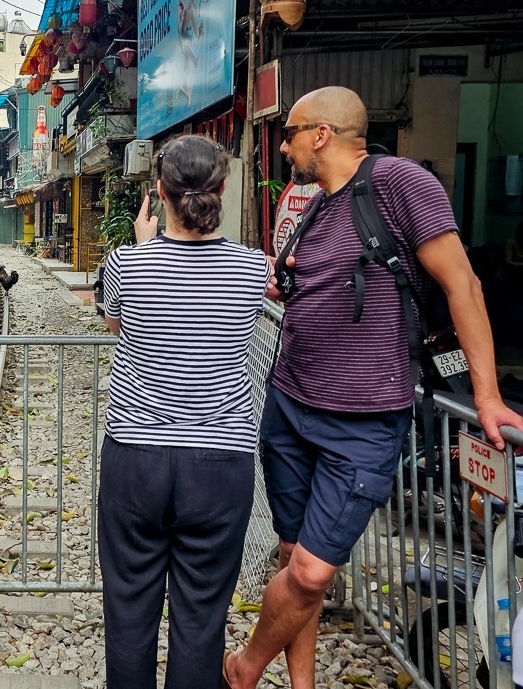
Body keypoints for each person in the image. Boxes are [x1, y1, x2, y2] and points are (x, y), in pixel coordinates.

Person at [224, 86, 523, 688]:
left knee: (311, 573)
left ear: (322, 135)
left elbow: (464, 285)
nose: (283, 146)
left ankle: (243, 667)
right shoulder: (316, 206)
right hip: (290, 406)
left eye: (290, 133)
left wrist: (487, 396)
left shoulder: (400, 184)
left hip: (363, 418)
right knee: (291, 558)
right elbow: (312, 283)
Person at [98, 135, 270, 689]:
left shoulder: (125, 262)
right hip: (220, 465)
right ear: (221, 189)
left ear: (160, 194)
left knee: (128, 609)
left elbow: (115, 325)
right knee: (201, 618)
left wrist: (145, 244)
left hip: (135, 459)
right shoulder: (252, 269)